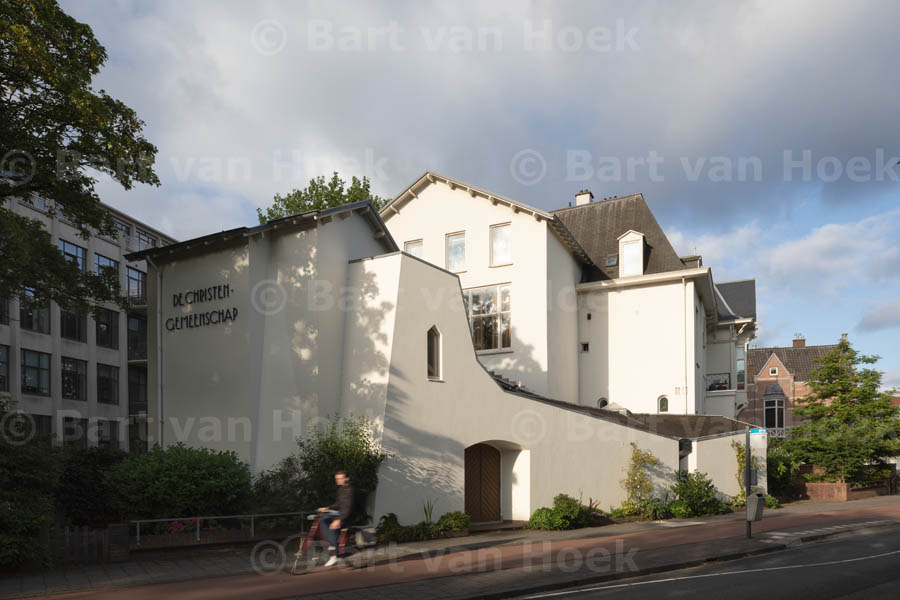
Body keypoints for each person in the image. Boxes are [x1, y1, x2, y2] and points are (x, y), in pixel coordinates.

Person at [318, 470, 355, 567]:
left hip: (348, 517)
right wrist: (327, 508)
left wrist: (338, 520)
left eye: (340, 478)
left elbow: (349, 509)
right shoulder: (341, 489)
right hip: (340, 513)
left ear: (347, 478)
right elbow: (338, 504)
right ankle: (332, 545)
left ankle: (334, 555)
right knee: (323, 518)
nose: (338, 480)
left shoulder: (351, 490)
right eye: (336, 479)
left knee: (330, 524)